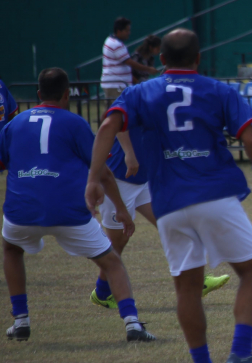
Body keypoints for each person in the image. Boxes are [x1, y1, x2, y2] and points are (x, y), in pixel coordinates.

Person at [85, 28, 252, 363]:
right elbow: (249, 137)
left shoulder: (141, 91)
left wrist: (94, 178)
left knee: (187, 289)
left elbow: (109, 124)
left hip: (170, 203)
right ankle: (240, 351)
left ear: (160, 60)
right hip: (216, 194)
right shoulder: (218, 89)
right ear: (198, 58)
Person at [1, 68, 155, 342]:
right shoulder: (74, 123)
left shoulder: (14, 125)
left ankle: (21, 320)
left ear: (38, 94)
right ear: (66, 94)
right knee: (112, 263)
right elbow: (104, 172)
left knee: (11, 249)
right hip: (68, 212)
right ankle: (132, 324)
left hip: (21, 210)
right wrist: (120, 208)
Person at [101, 17, 158, 99]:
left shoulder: (111, 41)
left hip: (116, 84)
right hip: (116, 85)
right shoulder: (116, 44)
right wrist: (149, 69)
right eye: (127, 31)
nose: (129, 33)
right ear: (119, 31)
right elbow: (129, 62)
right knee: (117, 109)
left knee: (112, 109)